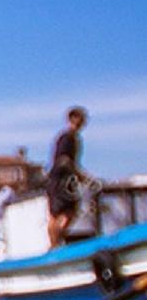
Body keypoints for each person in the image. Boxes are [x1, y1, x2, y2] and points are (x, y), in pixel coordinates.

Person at [46, 106, 88, 248]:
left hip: (62, 180)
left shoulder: (74, 138)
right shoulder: (68, 137)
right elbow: (64, 160)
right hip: (62, 180)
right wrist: (80, 174)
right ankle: (54, 247)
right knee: (63, 213)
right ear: (72, 119)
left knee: (63, 213)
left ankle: (55, 245)